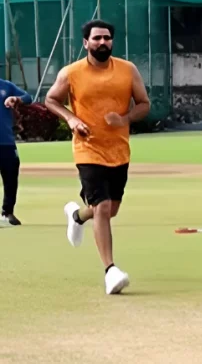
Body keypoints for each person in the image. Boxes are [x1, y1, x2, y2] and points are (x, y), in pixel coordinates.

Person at [44, 19, 151, 294]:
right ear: (85, 43)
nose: (102, 42)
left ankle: (78, 216)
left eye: (106, 38)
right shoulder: (71, 73)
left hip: (118, 149)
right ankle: (110, 271)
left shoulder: (128, 70)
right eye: (96, 38)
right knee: (103, 207)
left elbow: (144, 104)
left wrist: (125, 118)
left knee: (110, 209)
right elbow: (51, 99)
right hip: (87, 148)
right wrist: (70, 119)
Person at [0, 78, 33, 227]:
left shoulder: (6, 86)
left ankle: (7, 212)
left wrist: (16, 99)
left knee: (11, 177)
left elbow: (28, 97)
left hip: (6, 141)